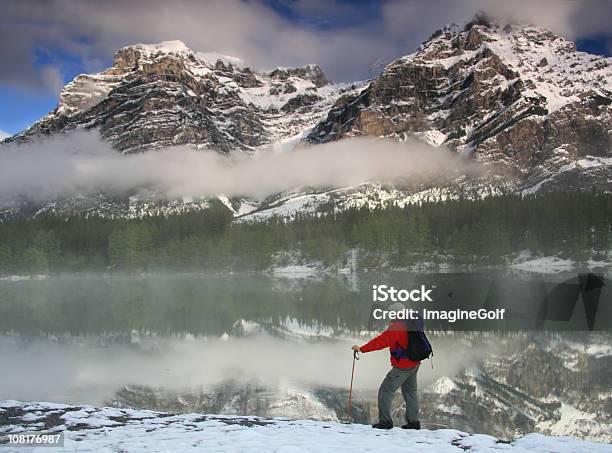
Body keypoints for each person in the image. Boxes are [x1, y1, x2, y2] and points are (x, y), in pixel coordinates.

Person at [352, 302, 420, 430]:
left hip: (402, 366)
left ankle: (385, 422)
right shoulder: (412, 324)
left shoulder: (397, 327)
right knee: (410, 392)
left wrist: (362, 349)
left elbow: (381, 342)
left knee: (385, 390)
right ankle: (414, 422)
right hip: (414, 363)